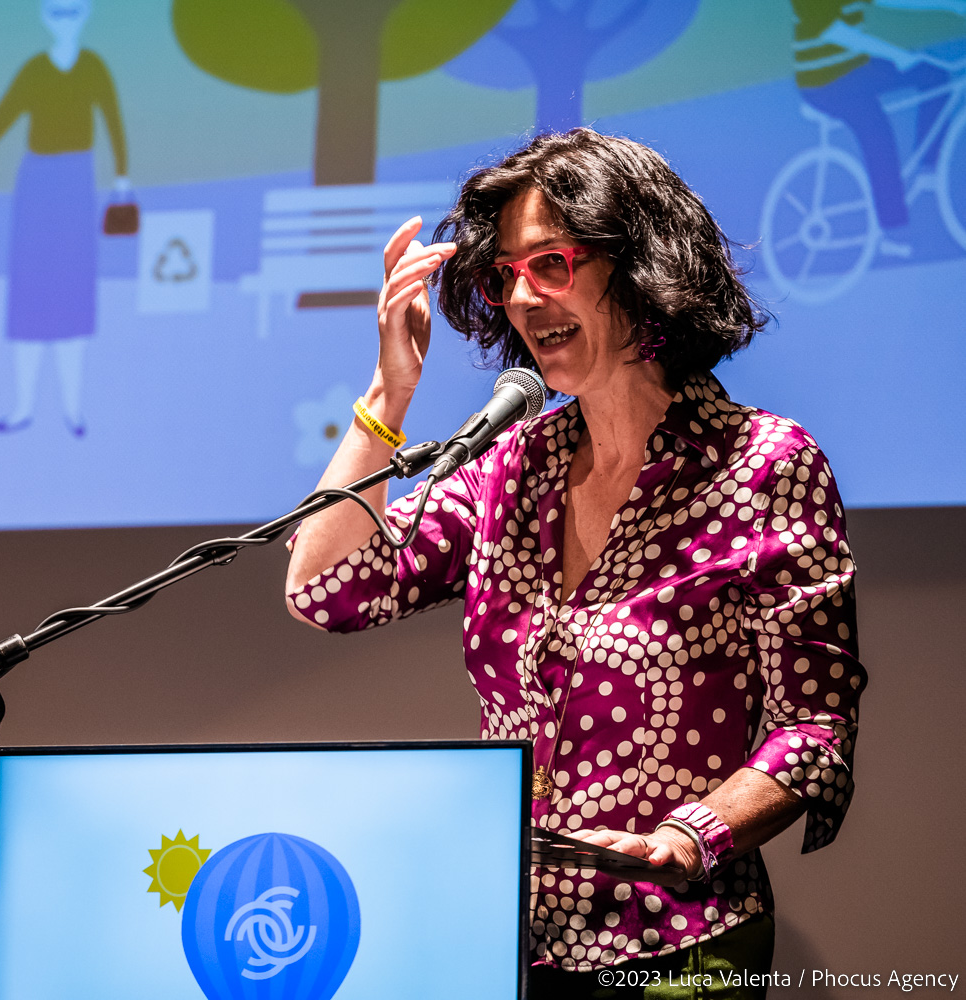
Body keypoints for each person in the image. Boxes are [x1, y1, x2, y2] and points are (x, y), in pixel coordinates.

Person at [285, 130, 866, 997]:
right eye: (504, 275)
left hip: (679, 946)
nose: (523, 297)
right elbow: (325, 588)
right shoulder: (511, 468)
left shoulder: (762, 467)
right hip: (507, 943)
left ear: (640, 266)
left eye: (551, 264)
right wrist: (387, 394)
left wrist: (690, 837)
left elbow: (812, 730)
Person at [0, 0, 130, 438]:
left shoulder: (93, 67)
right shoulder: (35, 69)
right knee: (30, 296)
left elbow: (112, 118)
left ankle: (73, 409)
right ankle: (23, 407)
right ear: (43, 15)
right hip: (36, 186)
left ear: (86, 13)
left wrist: (122, 176)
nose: (65, 20)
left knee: (73, 295)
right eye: (56, 12)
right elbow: (2, 116)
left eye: (73, 11)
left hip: (77, 184)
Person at [792, 0, 966, 242]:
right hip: (824, 82)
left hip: (855, 66)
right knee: (877, 132)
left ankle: (928, 169)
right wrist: (898, 55)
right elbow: (833, 30)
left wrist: (951, 5)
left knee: (933, 75)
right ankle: (892, 228)